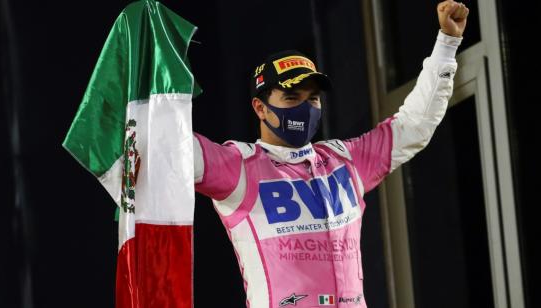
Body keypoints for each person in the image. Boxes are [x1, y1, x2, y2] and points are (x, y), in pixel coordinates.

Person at [193, 1, 469, 307]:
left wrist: (447, 43)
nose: (305, 106)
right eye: (291, 97)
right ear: (260, 107)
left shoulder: (345, 161)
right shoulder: (239, 168)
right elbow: (176, 151)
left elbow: (415, 125)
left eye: (312, 98)